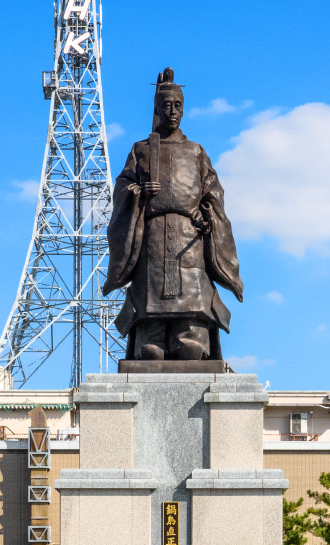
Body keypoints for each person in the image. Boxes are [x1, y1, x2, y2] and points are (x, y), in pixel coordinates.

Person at [104, 68, 242, 361]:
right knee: (150, 348)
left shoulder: (195, 152)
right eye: (166, 105)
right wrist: (138, 191)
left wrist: (206, 215)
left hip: (187, 237)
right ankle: (151, 334)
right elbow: (122, 187)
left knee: (190, 346)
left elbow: (213, 195)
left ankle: (190, 333)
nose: (172, 112)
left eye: (178, 105)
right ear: (156, 108)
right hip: (151, 236)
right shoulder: (141, 150)